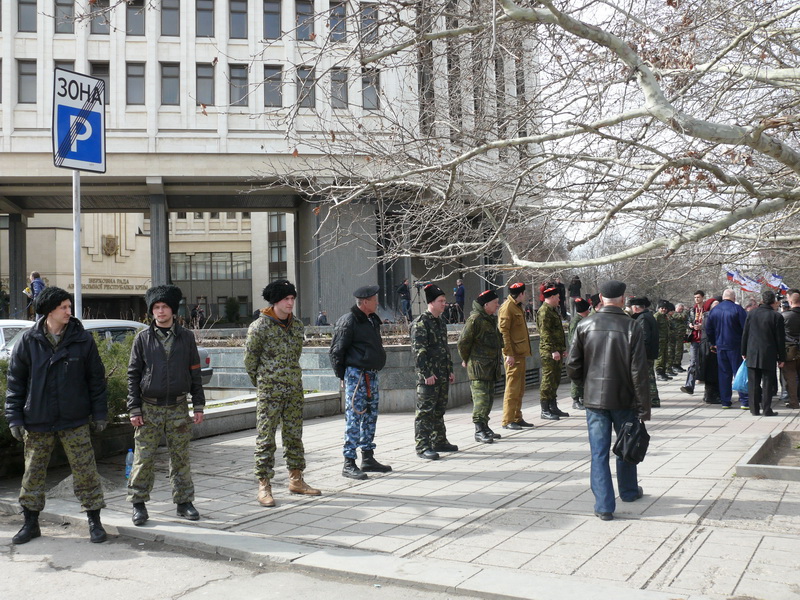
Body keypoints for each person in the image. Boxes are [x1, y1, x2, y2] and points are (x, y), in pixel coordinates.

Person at [5, 287, 108, 544]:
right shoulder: (28, 341)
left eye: (69, 306)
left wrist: (99, 413)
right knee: (33, 474)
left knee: (86, 472)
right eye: (63, 307)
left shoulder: (82, 340)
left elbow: (96, 380)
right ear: (49, 310)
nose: (68, 311)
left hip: (74, 419)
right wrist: (15, 418)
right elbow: (15, 383)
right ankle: (30, 524)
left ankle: (94, 521)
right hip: (38, 420)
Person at [566, 279, 650, 522]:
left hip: (594, 400)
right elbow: (639, 372)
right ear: (623, 299)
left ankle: (604, 505)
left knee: (599, 452)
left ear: (600, 298)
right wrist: (644, 407)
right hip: (624, 398)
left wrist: (586, 382)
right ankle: (629, 491)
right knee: (626, 445)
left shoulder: (584, 324)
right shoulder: (632, 327)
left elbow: (572, 365)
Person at [127, 285, 206, 526]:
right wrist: (134, 408)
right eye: (156, 308)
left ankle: (184, 502)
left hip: (178, 408)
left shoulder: (186, 337)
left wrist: (199, 405)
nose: (160, 312)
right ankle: (138, 504)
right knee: (144, 458)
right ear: (152, 311)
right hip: (149, 409)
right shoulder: (142, 339)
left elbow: (195, 372)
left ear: (173, 310)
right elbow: (133, 375)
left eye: (164, 307)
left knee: (181, 457)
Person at [246, 280, 321, 506]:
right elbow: (250, 362)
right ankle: (264, 485)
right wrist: (264, 382)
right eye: (286, 299)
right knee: (266, 439)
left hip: (293, 390)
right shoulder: (259, 327)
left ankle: (296, 479)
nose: (290, 303)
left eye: (292, 299)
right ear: (275, 301)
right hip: (269, 392)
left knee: (294, 436)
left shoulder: (297, 326)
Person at [329, 285, 390, 480]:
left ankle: (368, 458)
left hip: (371, 374)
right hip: (356, 375)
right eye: (374, 299)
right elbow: (336, 351)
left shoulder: (372, 320)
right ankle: (349, 462)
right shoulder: (349, 321)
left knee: (371, 416)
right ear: (364, 302)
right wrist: (342, 376)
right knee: (354, 417)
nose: (377, 302)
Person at [411, 284, 456, 460]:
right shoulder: (421, 323)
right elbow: (418, 351)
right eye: (441, 301)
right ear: (431, 302)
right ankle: (423, 446)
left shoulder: (440, 322)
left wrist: (450, 370)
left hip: (442, 374)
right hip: (429, 377)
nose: (444, 304)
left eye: (445, 301)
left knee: (439, 409)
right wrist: (426, 373)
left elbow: (445, 349)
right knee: (425, 412)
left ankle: (439, 441)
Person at [457, 289, 503, 444]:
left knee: (489, 398)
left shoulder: (489, 319)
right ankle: (478, 430)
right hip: (479, 368)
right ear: (486, 304)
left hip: (490, 367)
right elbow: (463, 342)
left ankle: (485, 426)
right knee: (481, 399)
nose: (497, 306)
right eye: (495, 303)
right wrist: (466, 358)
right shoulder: (475, 320)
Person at [741, 290, 785, 416]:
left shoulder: (751, 314)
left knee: (753, 382)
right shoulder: (776, 316)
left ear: (762, 300)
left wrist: (743, 351)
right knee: (767, 383)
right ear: (774, 302)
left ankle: (754, 409)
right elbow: (780, 339)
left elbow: (745, 334)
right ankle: (766, 409)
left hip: (752, 352)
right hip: (769, 353)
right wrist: (781, 357)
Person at [498, 282, 533, 429]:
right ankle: (508, 419)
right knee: (512, 388)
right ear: (521, 294)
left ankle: (517, 417)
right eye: (524, 293)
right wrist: (508, 354)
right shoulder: (507, 307)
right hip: (513, 355)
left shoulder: (516, 306)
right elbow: (503, 332)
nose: (525, 296)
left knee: (520, 388)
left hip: (520, 353)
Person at [704, 289, 748, 409]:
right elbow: (745, 329)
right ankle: (744, 400)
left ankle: (725, 401)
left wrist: (713, 343)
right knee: (739, 373)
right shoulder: (738, 309)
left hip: (720, 345)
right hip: (735, 345)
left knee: (724, 374)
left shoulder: (714, 310)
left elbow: (708, 329)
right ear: (733, 297)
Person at [537, 284, 569, 419]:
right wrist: (553, 350)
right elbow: (545, 334)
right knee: (548, 379)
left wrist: (562, 349)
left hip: (556, 350)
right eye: (557, 297)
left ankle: (553, 406)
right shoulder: (544, 311)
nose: (559, 300)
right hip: (549, 351)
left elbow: (557, 332)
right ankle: (545, 409)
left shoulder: (553, 310)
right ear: (550, 297)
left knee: (555, 379)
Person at [630, 297, 660, 408]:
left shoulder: (642, 318)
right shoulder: (648, 316)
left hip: (645, 353)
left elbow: (644, 338)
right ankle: (653, 398)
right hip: (649, 352)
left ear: (636, 308)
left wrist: (639, 353)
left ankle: (652, 399)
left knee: (647, 376)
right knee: (649, 375)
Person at [681, 291, 706, 395]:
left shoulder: (707, 309)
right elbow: (687, 321)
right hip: (694, 339)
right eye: (695, 297)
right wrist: (690, 325)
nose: (696, 299)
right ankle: (689, 386)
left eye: (698, 297)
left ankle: (709, 388)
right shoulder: (692, 310)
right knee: (693, 362)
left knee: (706, 362)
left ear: (703, 298)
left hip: (704, 340)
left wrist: (702, 326)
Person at [568, 298, 591, 410]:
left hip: (583, 351)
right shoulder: (576, 322)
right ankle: (576, 399)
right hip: (577, 352)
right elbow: (573, 339)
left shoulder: (581, 320)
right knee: (576, 376)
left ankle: (581, 397)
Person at [782, 290, 800, 410]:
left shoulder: (785, 316)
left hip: (789, 350)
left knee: (790, 377)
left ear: (790, 301)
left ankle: (793, 401)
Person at [654, 301, 672, 381]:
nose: (664, 310)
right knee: (660, 357)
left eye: (665, 308)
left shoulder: (665, 316)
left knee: (665, 356)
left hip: (665, 340)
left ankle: (663, 372)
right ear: (659, 308)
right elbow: (654, 328)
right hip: (659, 340)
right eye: (662, 308)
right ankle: (659, 373)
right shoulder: (656, 316)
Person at [670, 303, 687, 372]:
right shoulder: (674, 314)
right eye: (680, 309)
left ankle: (678, 364)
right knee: (676, 351)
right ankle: (675, 365)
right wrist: (686, 311)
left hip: (680, 336)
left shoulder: (680, 314)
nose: (681, 310)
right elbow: (682, 317)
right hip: (675, 336)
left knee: (680, 351)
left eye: (682, 309)